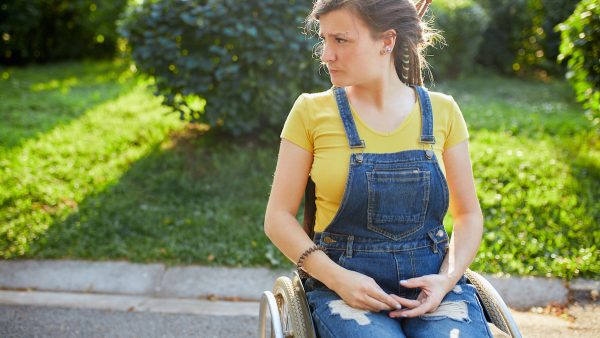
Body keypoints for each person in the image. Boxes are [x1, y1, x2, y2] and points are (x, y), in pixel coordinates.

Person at [264, 0, 494, 337]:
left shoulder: (442, 112)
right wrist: (338, 279)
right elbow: (278, 218)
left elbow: (468, 215)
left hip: (433, 285)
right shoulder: (310, 112)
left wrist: (446, 279)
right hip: (341, 288)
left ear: (387, 41)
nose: (326, 54)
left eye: (340, 40)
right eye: (324, 40)